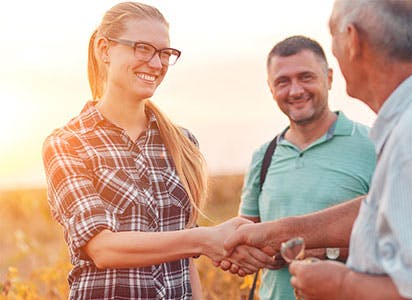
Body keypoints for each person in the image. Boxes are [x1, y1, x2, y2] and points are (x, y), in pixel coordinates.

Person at [225, 0, 412, 299]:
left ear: (353, 40)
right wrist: (281, 231)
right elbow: (381, 208)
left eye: (333, 36)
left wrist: (343, 286)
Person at [42, 2, 273, 299]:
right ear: (104, 50)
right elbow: (102, 248)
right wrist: (204, 239)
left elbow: (185, 256)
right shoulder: (69, 142)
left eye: (165, 53)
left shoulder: (182, 142)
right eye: (142, 48)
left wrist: (204, 243)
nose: (156, 63)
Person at [234, 35, 375, 300]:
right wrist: (249, 253)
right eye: (283, 82)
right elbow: (245, 237)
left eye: (306, 77)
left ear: (329, 78)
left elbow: (403, 239)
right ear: (270, 88)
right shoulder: (263, 156)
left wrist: (323, 253)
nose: (295, 90)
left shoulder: (376, 144)